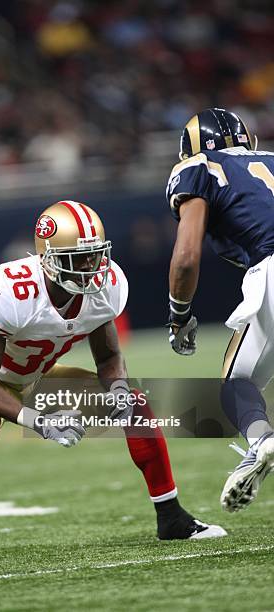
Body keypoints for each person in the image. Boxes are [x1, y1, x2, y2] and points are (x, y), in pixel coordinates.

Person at [0, 200, 225, 570]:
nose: (90, 267)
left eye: (94, 255)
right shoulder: (13, 292)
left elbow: (108, 358)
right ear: (48, 257)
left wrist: (117, 389)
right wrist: (37, 421)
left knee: (133, 401)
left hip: (38, 378)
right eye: (78, 257)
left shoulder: (104, 286)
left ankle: (172, 518)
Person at [166, 108, 274, 513]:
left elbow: (187, 256)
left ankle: (261, 442)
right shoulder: (270, 160)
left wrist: (178, 315)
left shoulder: (199, 167)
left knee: (236, 383)